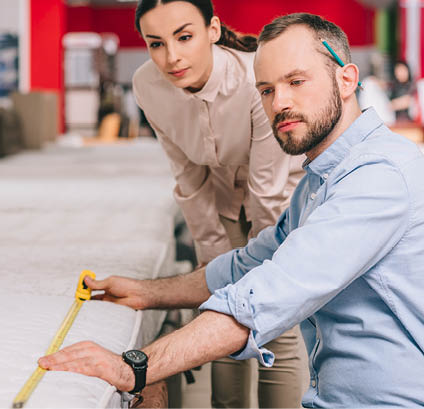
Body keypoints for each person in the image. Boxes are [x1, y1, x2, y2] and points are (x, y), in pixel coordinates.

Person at [39, 12, 424, 408]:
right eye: (266, 90)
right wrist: (146, 293)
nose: (281, 103)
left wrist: (136, 367)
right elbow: (246, 265)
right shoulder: (317, 182)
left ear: (346, 79)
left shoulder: (378, 178)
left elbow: (268, 294)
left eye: (296, 81)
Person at [131, 1, 307, 408]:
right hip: (224, 198)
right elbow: (188, 178)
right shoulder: (148, 85)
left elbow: (268, 188)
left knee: (273, 323)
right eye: (156, 43)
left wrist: (266, 269)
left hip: (280, 199)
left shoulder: (253, 77)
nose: (171, 56)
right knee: (219, 315)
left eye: (184, 36)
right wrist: (212, 269)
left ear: (212, 29)